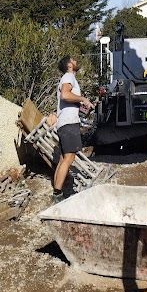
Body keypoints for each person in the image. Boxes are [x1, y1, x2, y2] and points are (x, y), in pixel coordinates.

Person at [50, 54, 93, 203]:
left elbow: (67, 98)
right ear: (69, 65)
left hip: (64, 123)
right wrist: (83, 99)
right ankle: (57, 195)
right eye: (73, 60)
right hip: (69, 123)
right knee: (69, 158)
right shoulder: (68, 76)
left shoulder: (67, 78)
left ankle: (56, 192)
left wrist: (81, 106)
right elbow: (65, 95)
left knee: (63, 159)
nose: (76, 61)